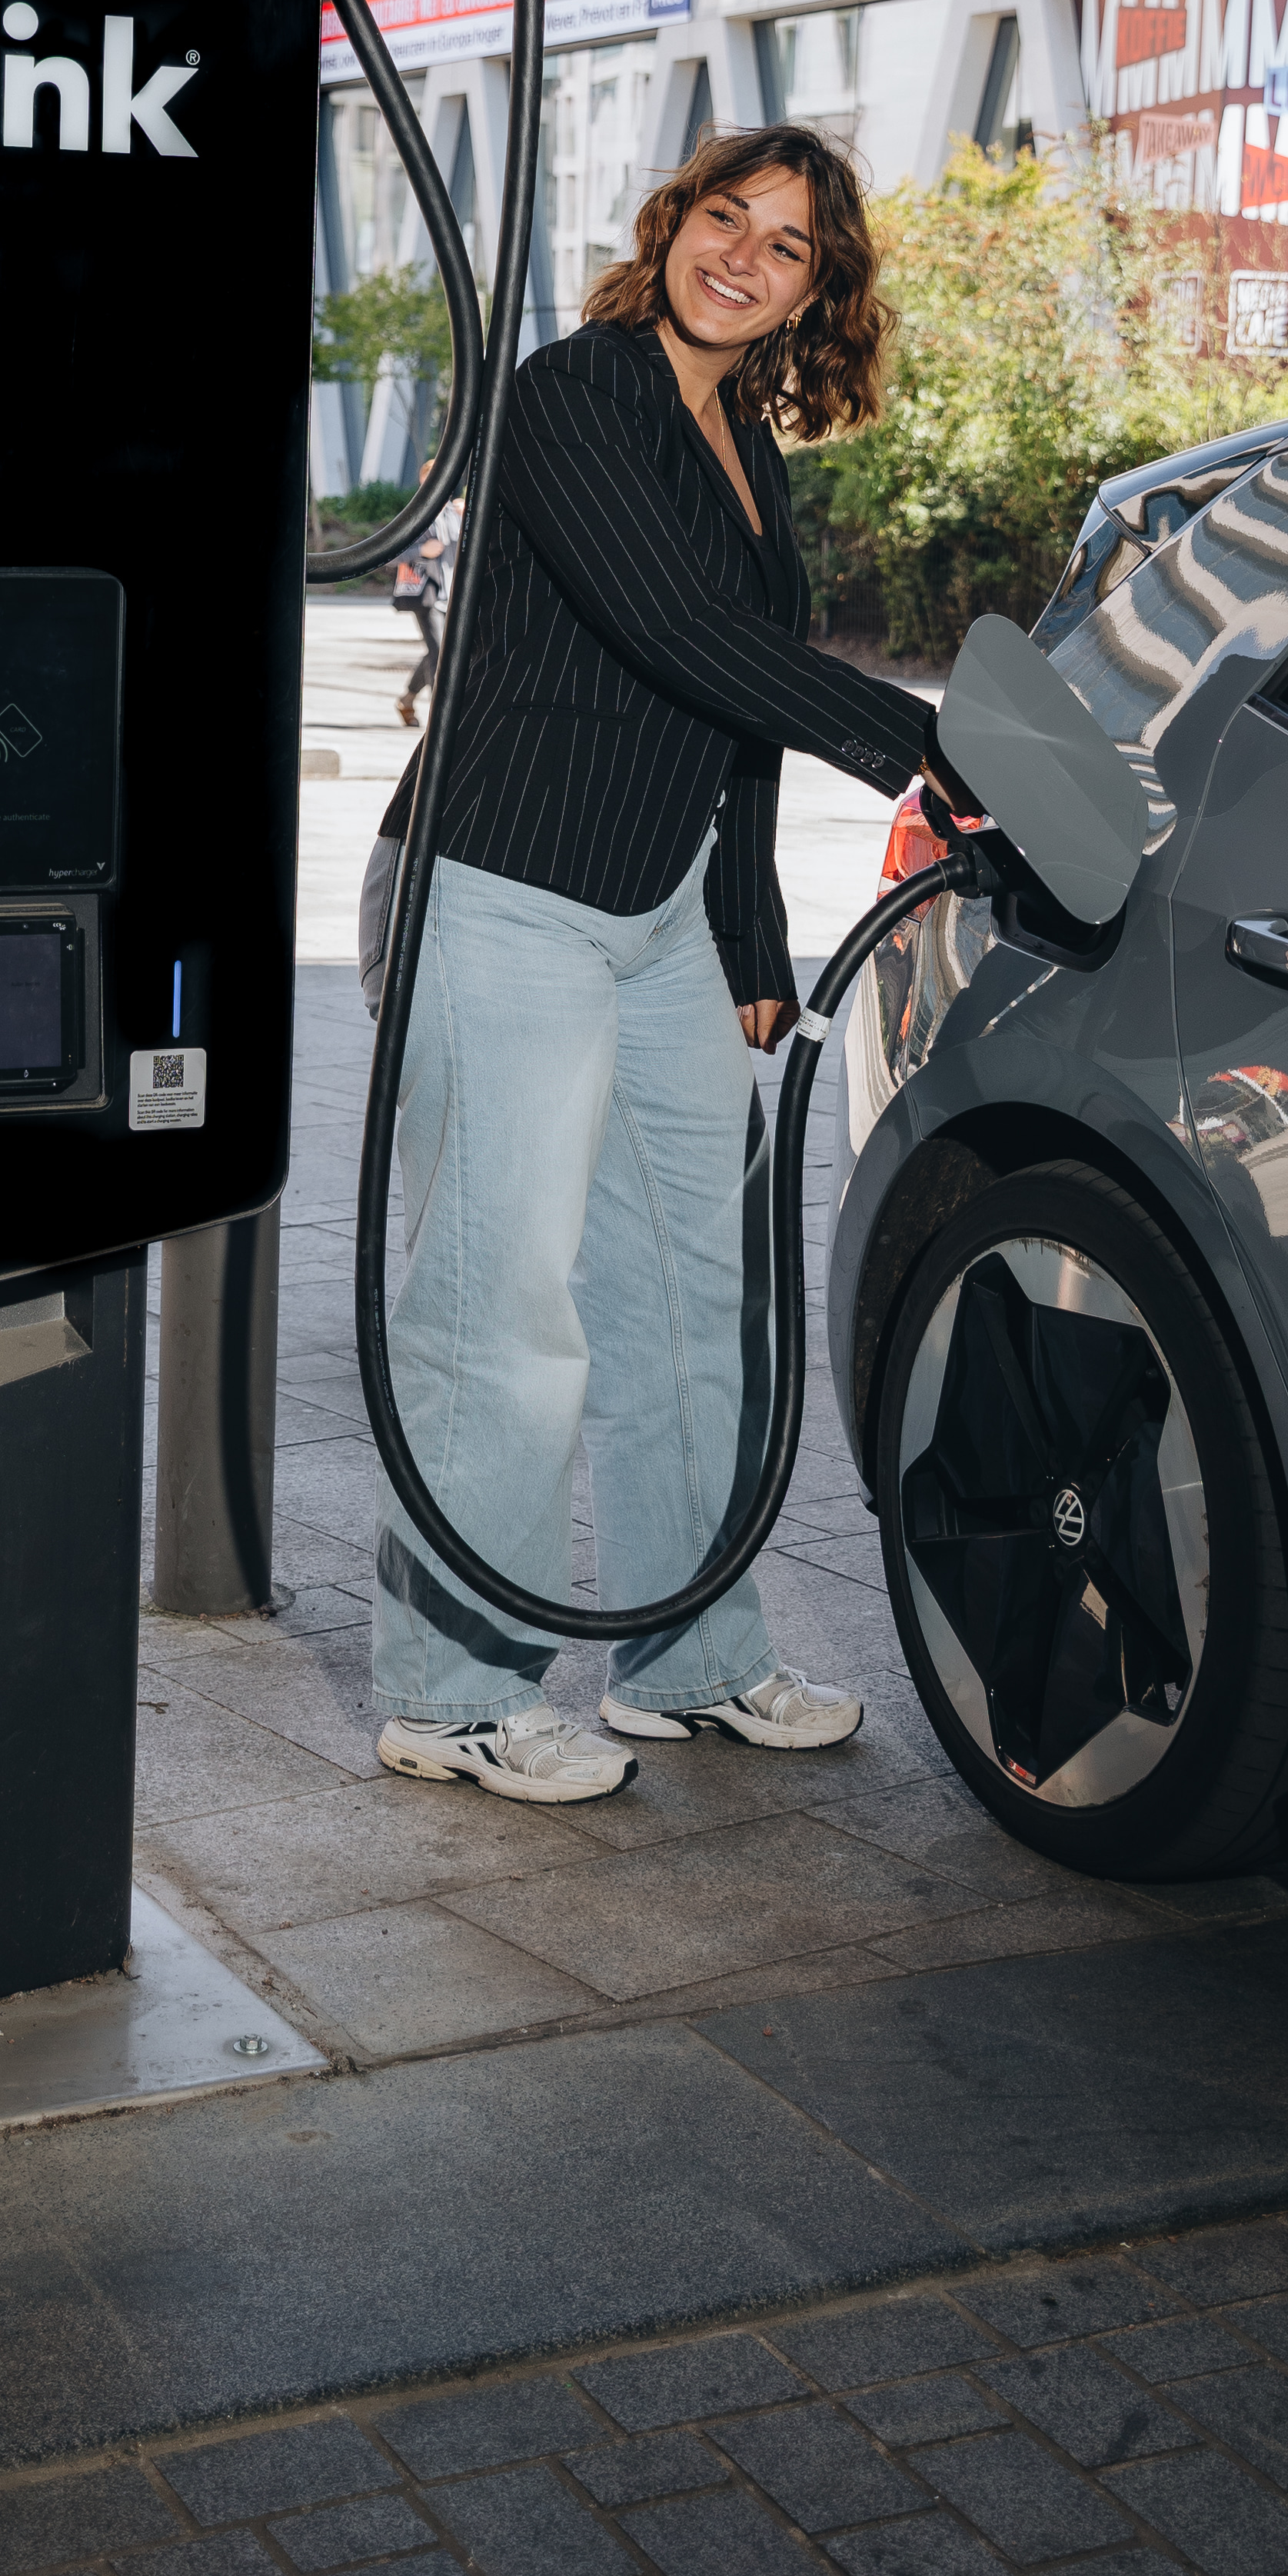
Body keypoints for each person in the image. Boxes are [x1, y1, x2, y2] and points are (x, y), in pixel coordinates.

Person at [369, 125, 940, 1804]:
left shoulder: (751, 449)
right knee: (500, 1303)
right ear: (670, 225)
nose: (741, 258)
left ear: (811, 297)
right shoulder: (572, 393)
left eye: (786, 247)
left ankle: (689, 1660)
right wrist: (920, 743)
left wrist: (751, 938)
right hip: (503, 883)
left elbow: (728, 722)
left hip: (664, 908)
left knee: (698, 1296)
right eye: (724, 220)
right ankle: (453, 1693)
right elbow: (674, 638)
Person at [397, 465, 460, 731]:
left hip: (454, 594)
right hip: (428, 595)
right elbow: (393, 553)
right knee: (440, 653)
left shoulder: (455, 514)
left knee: (439, 650)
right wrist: (422, 549)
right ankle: (440, 719)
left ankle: (408, 698)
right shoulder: (415, 515)